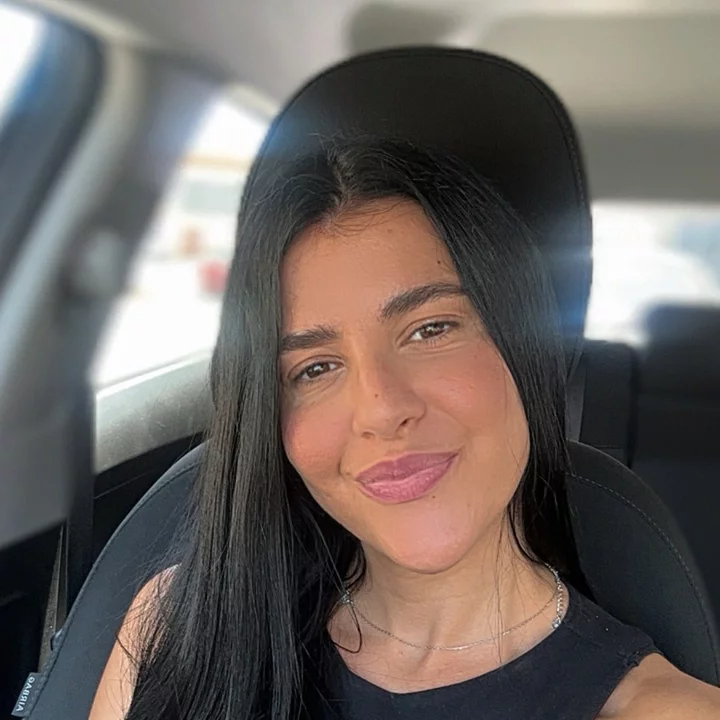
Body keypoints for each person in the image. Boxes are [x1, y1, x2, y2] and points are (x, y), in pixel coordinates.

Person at [90, 140, 720, 719]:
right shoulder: (178, 625)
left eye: (430, 329)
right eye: (315, 368)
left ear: (523, 345)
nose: (380, 409)